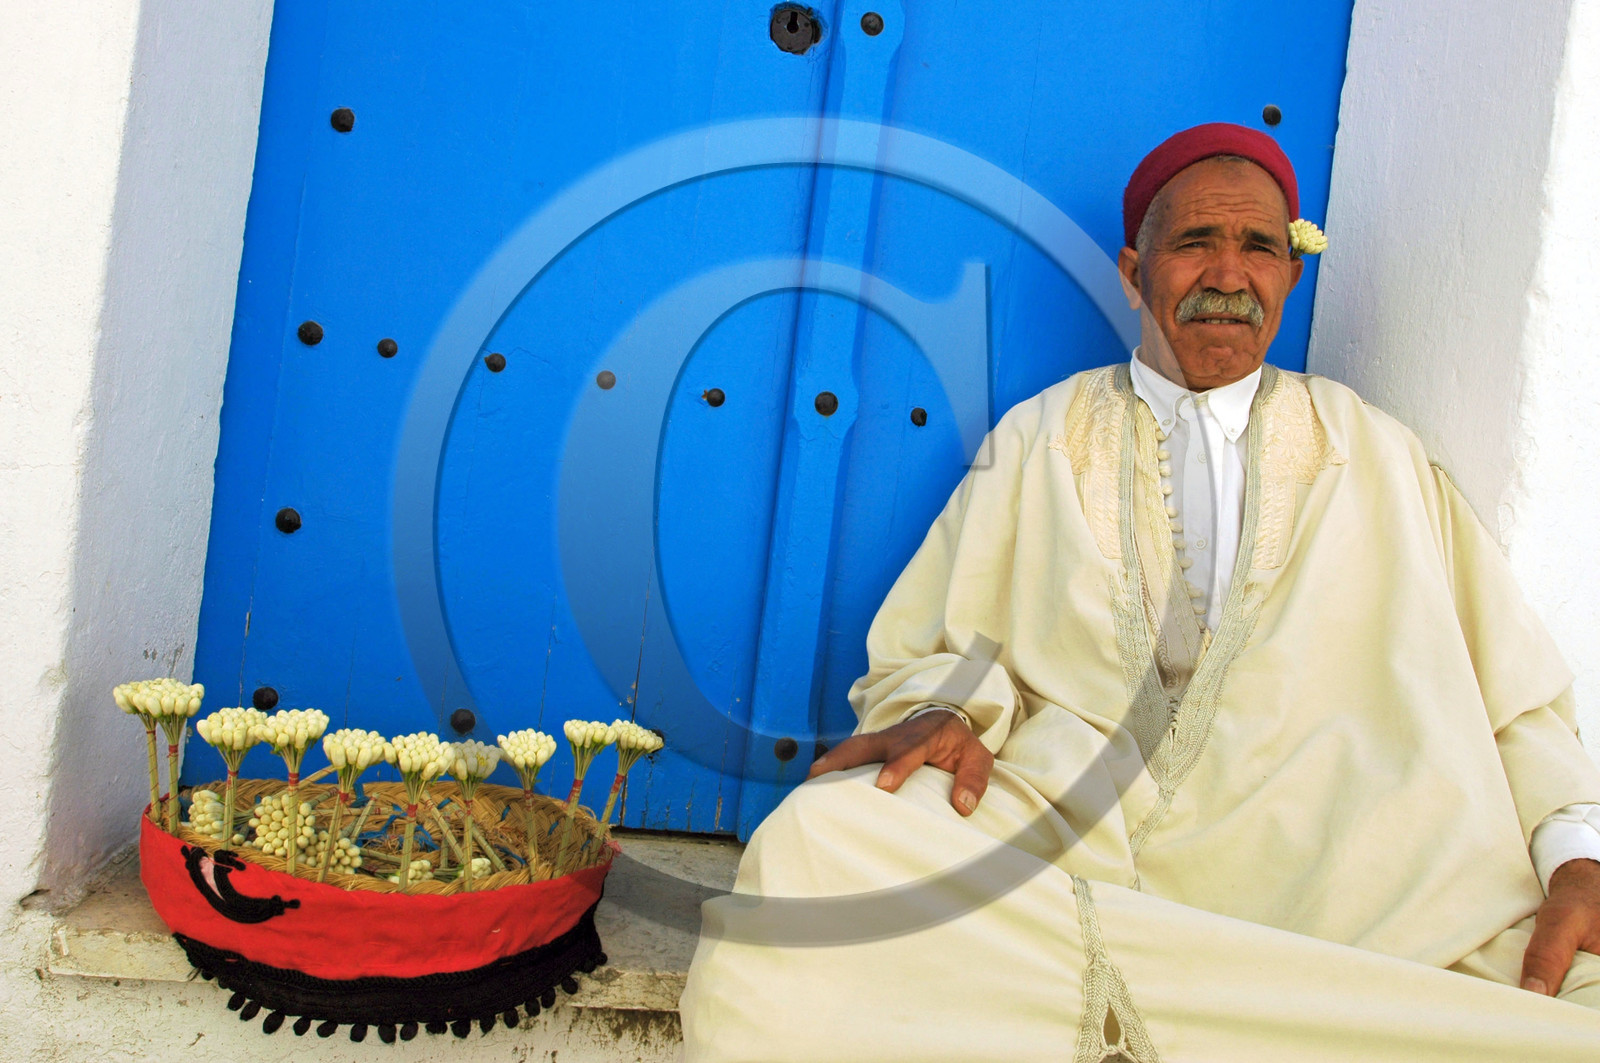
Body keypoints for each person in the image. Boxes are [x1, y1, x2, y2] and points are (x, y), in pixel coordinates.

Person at [679, 123, 1600, 1061]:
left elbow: (1517, 700)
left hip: (1358, 877)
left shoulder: (1379, 451)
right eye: (1196, 241)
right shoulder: (1043, 435)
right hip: (1083, 840)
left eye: (1260, 248)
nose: (1229, 274)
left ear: (1290, 274)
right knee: (819, 850)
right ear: (1134, 269)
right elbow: (948, 644)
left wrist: (1577, 857)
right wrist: (941, 709)